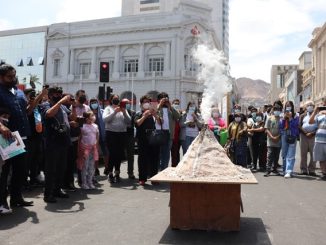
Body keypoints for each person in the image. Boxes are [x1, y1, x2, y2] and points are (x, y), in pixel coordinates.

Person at [0, 64, 33, 212]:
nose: (13, 79)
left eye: (14, 75)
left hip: (22, 137)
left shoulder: (18, 92)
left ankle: (16, 198)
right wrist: (1, 127)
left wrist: (35, 101)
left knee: (21, 170)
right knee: (4, 172)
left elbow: (26, 112)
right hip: (6, 138)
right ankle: (2, 202)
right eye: (9, 77)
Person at [42, 86, 71, 203]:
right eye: (56, 93)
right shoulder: (46, 105)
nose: (58, 95)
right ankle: (48, 194)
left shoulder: (63, 107)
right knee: (51, 169)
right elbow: (48, 114)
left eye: (60, 93)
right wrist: (60, 102)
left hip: (63, 140)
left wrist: (73, 105)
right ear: (50, 95)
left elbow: (70, 117)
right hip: (52, 141)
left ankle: (57, 190)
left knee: (61, 167)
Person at [103, 94, 131, 183]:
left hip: (121, 134)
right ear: (111, 100)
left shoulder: (123, 109)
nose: (116, 100)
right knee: (112, 153)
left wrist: (123, 112)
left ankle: (117, 172)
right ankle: (110, 172)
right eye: (114, 99)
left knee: (119, 153)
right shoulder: (108, 108)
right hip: (111, 133)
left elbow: (129, 121)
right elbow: (105, 119)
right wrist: (114, 112)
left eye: (117, 99)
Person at [135, 95, 161, 185]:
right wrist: (144, 116)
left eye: (147, 102)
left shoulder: (154, 113)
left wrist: (155, 115)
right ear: (141, 104)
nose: (146, 103)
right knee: (142, 159)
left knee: (154, 158)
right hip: (142, 139)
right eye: (144, 102)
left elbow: (161, 123)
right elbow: (137, 123)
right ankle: (142, 178)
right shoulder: (138, 113)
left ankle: (154, 178)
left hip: (153, 138)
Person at [156, 92, 180, 170]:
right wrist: (160, 105)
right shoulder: (157, 107)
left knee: (166, 155)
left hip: (169, 135)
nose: (165, 101)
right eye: (162, 98)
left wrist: (170, 106)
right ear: (159, 100)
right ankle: (156, 171)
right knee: (158, 155)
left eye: (166, 98)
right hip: (159, 135)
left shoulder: (171, 109)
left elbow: (178, 117)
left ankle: (164, 170)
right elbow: (154, 113)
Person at [77, 111, 99, 189]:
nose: (93, 117)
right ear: (86, 118)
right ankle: (84, 183)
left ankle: (90, 182)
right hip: (85, 149)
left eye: (93, 115)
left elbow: (97, 137)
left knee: (91, 166)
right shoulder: (82, 127)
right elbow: (79, 138)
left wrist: (96, 147)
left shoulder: (95, 126)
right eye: (91, 116)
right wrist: (79, 149)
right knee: (85, 166)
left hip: (93, 149)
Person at [89, 98, 109, 176]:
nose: (94, 104)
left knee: (106, 152)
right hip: (93, 136)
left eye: (95, 102)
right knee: (95, 153)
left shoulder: (103, 112)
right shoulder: (88, 113)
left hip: (103, 135)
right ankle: (96, 169)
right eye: (92, 103)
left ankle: (107, 168)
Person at [280, 101, 300, 178]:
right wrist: (285, 119)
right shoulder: (282, 115)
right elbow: (281, 126)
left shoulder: (296, 115)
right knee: (284, 153)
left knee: (291, 153)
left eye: (289, 106)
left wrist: (291, 118)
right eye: (287, 106)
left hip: (292, 134)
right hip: (284, 134)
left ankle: (289, 171)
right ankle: (284, 170)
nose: (288, 107)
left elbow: (296, 125)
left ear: (292, 106)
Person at [299, 101, 318, 176]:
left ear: (314, 106)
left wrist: (312, 133)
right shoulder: (302, 115)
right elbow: (299, 125)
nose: (309, 106)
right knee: (303, 153)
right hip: (304, 136)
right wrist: (306, 133)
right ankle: (303, 169)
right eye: (308, 105)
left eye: (311, 105)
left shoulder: (317, 115)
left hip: (313, 136)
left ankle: (312, 170)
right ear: (305, 107)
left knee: (313, 154)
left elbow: (319, 126)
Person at [309, 97, 326, 180]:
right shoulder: (319, 114)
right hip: (319, 140)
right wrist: (315, 111)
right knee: (321, 158)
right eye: (324, 103)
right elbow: (310, 121)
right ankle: (324, 174)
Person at [264, 104, 282, 177]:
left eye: (278, 110)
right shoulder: (269, 118)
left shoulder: (282, 119)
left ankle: (275, 169)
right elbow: (266, 129)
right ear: (273, 111)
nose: (276, 111)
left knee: (276, 155)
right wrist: (271, 137)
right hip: (270, 140)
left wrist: (278, 137)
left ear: (280, 111)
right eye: (275, 110)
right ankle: (268, 170)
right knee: (269, 155)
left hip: (278, 140)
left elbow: (283, 129)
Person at [122, 98, 136, 179]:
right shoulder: (119, 111)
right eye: (125, 103)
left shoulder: (133, 112)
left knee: (130, 155)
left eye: (128, 103)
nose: (127, 104)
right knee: (119, 155)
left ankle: (130, 172)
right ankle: (117, 172)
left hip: (130, 135)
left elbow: (131, 123)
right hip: (120, 135)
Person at [170, 99, 182, 167]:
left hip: (178, 136)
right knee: (169, 153)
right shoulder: (170, 112)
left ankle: (176, 166)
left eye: (178, 103)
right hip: (171, 135)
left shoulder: (181, 112)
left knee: (176, 153)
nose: (176, 105)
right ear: (172, 104)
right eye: (175, 103)